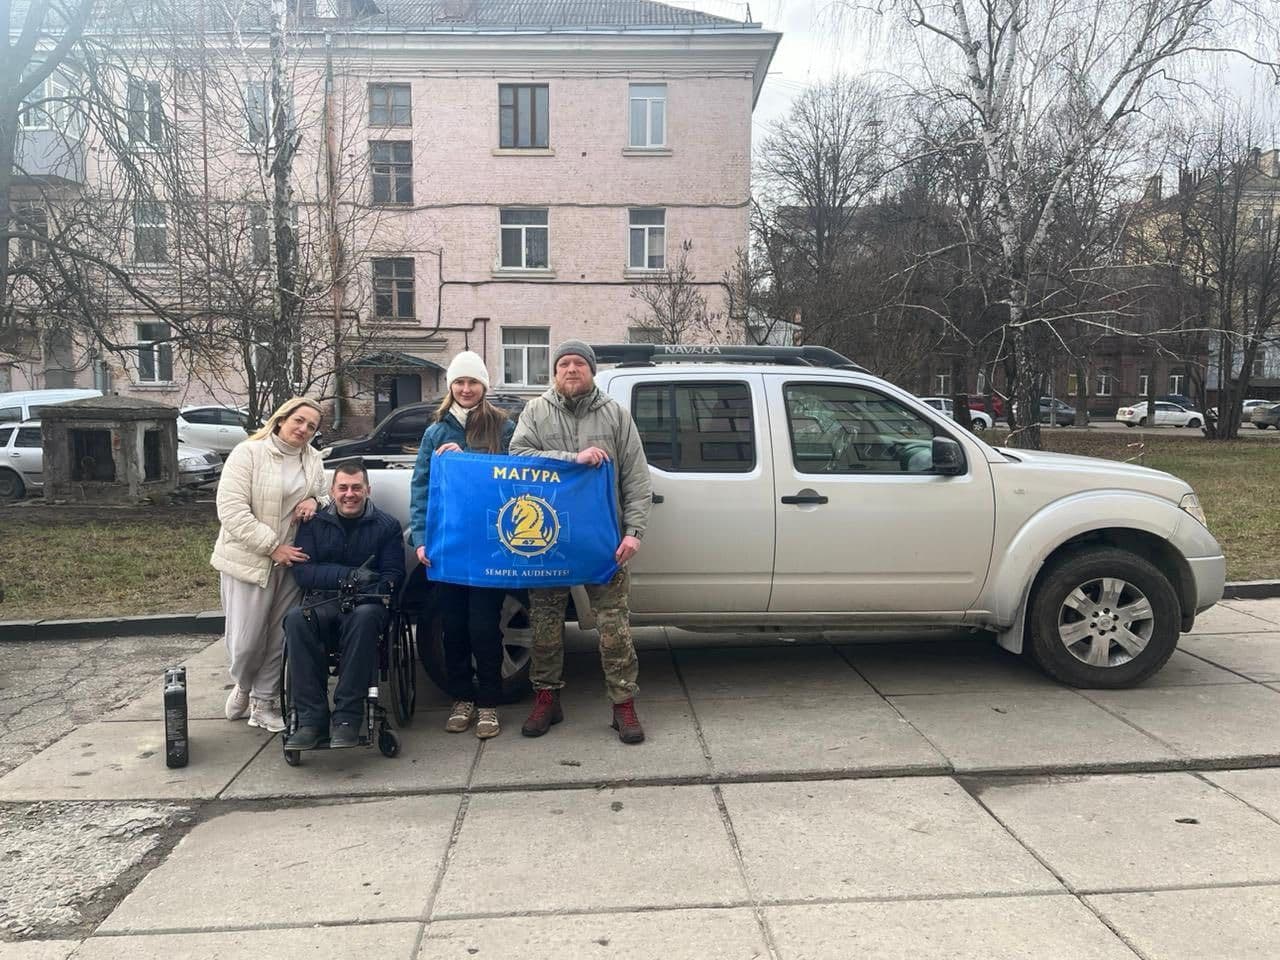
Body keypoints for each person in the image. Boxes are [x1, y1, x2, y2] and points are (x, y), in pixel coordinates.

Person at [510, 339, 652, 744]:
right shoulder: (535, 411)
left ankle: (622, 704)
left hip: (603, 540)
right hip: (547, 539)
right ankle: (546, 699)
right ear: (554, 373)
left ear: (591, 370)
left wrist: (634, 533)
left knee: (614, 626)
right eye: (564, 364)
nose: (571, 369)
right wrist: (572, 458)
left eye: (579, 363)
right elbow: (517, 457)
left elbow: (637, 479)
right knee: (545, 624)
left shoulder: (615, 415)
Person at [409, 351, 516, 738]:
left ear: (484, 386)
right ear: (451, 386)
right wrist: (420, 538)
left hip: (489, 542)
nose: (466, 389)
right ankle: (462, 697)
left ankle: (489, 702)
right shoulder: (436, 431)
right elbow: (421, 486)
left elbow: (512, 478)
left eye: (473, 382)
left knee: (485, 626)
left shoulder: (502, 427)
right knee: (452, 625)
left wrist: (466, 460)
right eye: (460, 382)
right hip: (448, 543)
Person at [211, 397, 326, 733]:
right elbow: (230, 510)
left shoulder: (313, 459)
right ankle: (243, 684)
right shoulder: (249, 453)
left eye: (311, 427)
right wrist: (272, 547)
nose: (303, 429)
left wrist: (314, 499)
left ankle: (264, 702)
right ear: (281, 419)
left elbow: (326, 494)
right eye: (299, 421)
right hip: (250, 559)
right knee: (246, 641)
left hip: (292, 563)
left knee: (278, 637)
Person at [281, 460, 406, 749]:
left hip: (367, 604)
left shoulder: (387, 526)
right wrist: (348, 575)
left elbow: (393, 574)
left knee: (363, 619)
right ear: (332, 491)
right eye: (343, 488)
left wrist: (373, 586)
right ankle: (311, 719)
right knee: (296, 619)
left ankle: (348, 717)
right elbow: (303, 572)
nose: (350, 494)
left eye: (356, 488)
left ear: (367, 490)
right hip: (325, 600)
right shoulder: (313, 524)